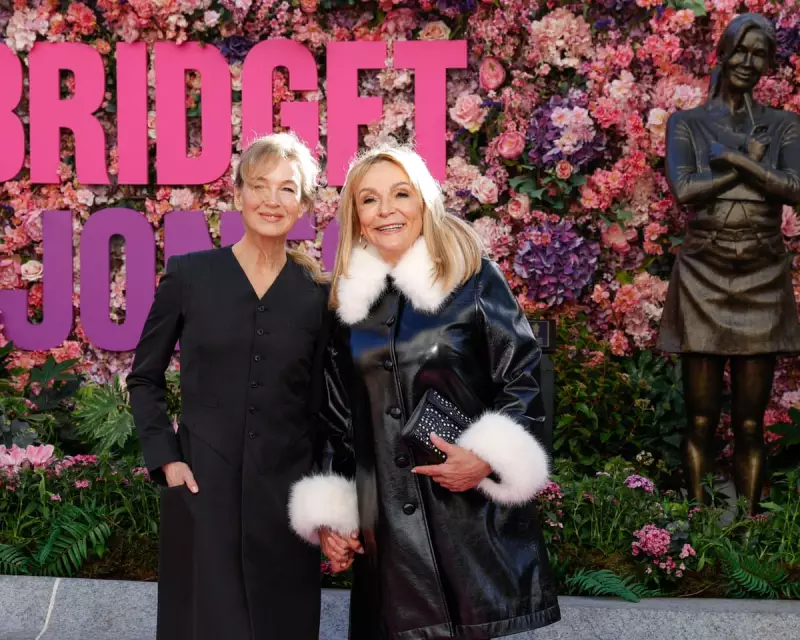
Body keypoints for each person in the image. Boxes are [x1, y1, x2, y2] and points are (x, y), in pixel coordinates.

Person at [288, 145, 561, 639]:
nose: (386, 209)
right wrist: (333, 517)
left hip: (467, 527)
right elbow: (335, 420)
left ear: (425, 201)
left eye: (400, 194)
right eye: (369, 200)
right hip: (386, 540)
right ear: (357, 217)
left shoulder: (473, 278)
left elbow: (523, 376)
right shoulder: (346, 307)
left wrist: (486, 458)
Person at [127, 133, 329, 640]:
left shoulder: (318, 295)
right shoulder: (190, 276)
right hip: (201, 491)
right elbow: (145, 376)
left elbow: (327, 404)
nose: (271, 199)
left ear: (303, 204)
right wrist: (166, 459)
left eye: (287, 189)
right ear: (238, 194)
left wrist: (325, 496)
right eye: (259, 185)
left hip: (288, 501)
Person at [658, 13, 800, 514]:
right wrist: (757, 166)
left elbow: (795, 189)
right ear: (723, 51)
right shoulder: (688, 124)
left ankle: (750, 528)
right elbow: (685, 190)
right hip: (703, 273)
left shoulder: (784, 125)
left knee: (749, 421)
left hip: (762, 272)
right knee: (700, 418)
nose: (748, 62)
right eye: (741, 49)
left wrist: (735, 160)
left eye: (759, 54)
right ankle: (697, 525)